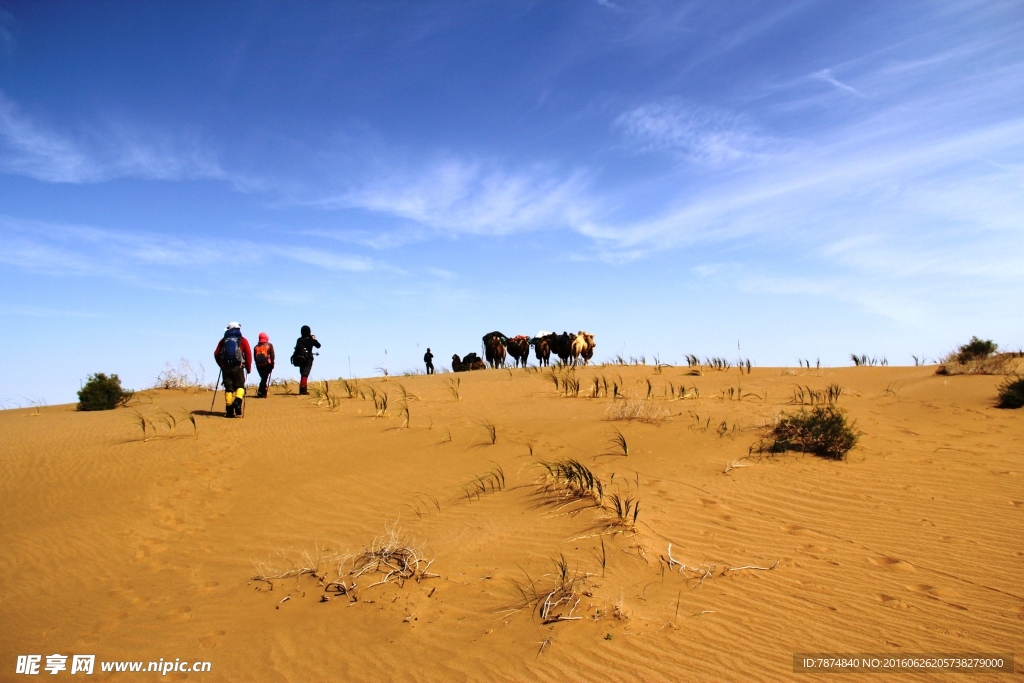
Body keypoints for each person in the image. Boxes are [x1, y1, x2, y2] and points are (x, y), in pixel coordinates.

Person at [214, 322, 252, 418]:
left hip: (225, 367)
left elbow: (216, 353)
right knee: (240, 386)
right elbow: (248, 354)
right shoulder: (242, 340)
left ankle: (229, 410)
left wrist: (221, 365)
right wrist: (248, 367)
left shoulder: (223, 340)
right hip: (238, 366)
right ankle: (237, 402)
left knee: (229, 388)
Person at [291, 325, 321, 395]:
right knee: (305, 374)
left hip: (300, 358)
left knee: (303, 373)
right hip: (308, 359)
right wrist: (313, 339)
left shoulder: (299, 340)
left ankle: (303, 389)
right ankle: (303, 390)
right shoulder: (310, 339)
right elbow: (318, 345)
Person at [253, 332, 275, 398]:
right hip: (267, 364)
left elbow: (254, 357)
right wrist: (272, 363)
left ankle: (263, 392)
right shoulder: (269, 345)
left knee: (263, 378)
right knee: (264, 378)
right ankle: (260, 391)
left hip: (258, 365)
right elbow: (272, 355)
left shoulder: (256, 347)